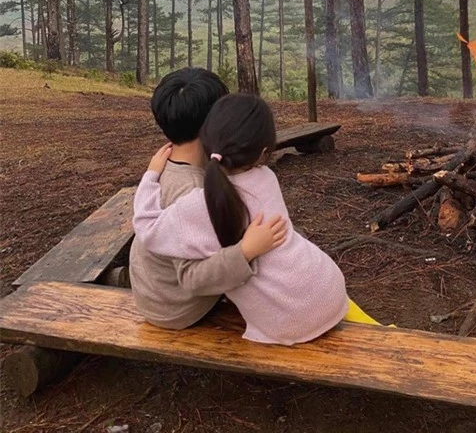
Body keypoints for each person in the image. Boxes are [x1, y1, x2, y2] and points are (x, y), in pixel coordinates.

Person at [133, 93, 383, 345]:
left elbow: (146, 226)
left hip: (290, 322)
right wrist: (245, 250)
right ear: (263, 152)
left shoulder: (198, 205)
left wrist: (151, 175)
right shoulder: (266, 178)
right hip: (330, 286)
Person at [129, 68, 286, 330]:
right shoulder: (192, 192)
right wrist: (245, 252)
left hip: (153, 292)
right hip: (176, 307)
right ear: (213, 125)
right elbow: (193, 278)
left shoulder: (164, 165)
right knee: (262, 250)